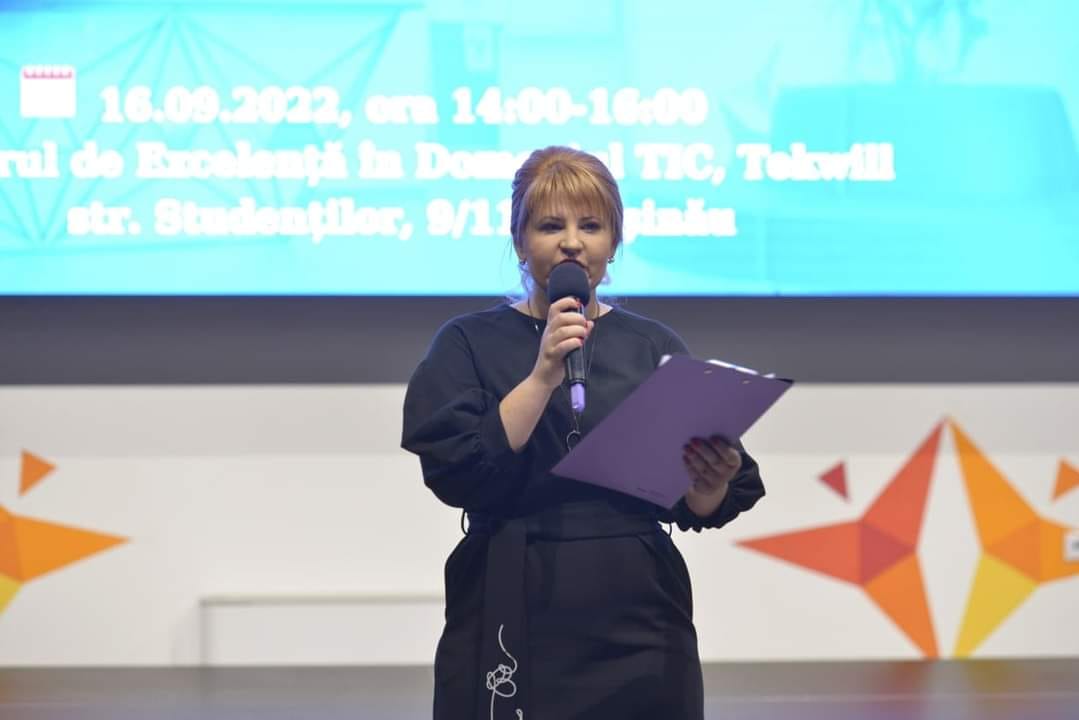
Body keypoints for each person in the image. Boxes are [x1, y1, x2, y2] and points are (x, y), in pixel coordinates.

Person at [401, 146, 765, 720]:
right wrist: (543, 373)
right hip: (513, 598)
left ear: (614, 242)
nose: (572, 242)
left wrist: (710, 483)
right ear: (519, 240)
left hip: (640, 612)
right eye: (551, 226)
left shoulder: (651, 345)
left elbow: (694, 502)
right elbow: (458, 470)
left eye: (591, 226)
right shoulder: (467, 342)